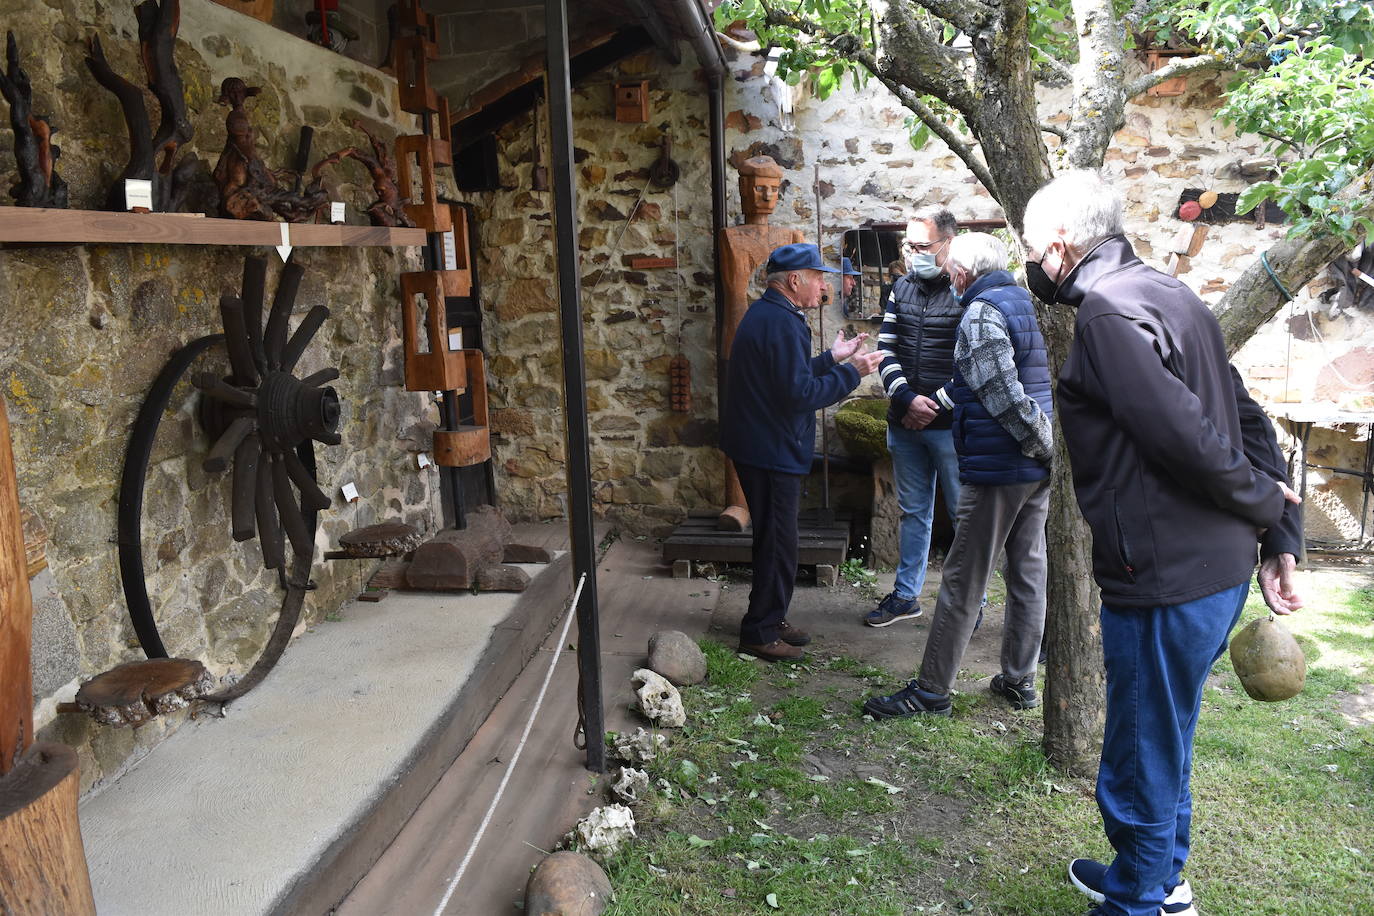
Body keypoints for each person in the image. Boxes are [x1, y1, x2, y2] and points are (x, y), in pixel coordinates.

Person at [1020, 170, 1304, 916]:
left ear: (1057, 249)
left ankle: (1137, 900)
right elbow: (1250, 421)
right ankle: (1157, 880)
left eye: (1031, 254)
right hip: (1213, 574)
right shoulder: (1168, 293)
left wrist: (1268, 504)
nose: (1033, 270)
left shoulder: (1110, 315)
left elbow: (1191, 440)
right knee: (1163, 735)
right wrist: (1277, 530)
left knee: (1142, 752)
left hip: (1167, 577)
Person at [862, 233, 1053, 719]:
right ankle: (1019, 679)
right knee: (1028, 572)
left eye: (950, 269)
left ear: (963, 273)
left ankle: (931, 691)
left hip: (1003, 466)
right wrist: (1046, 451)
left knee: (963, 578)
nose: (947, 276)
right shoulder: (1018, 299)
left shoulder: (982, 311)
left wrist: (1038, 442)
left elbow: (1001, 393)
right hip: (1030, 466)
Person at [720, 243, 883, 662]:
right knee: (778, 543)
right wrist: (852, 373)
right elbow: (798, 394)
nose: (824, 286)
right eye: (818, 277)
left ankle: (771, 619)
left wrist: (832, 358)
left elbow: (787, 376)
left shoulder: (774, 314)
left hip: (762, 444)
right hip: (769, 449)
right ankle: (758, 631)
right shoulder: (781, 322)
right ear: (795, 281)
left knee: (777, 540)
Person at [866, 206, 965, 627]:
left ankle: (969, 603)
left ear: (948, 245)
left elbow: (975, 362)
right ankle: (906, 595)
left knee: (965, 515)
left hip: (952, 426)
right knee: (913, 512)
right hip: (904, 420)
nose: (913, 253)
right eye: (909, 245)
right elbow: (885, 347)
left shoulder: (967, 290)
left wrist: (935, 404)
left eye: (923, 246)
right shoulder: (900, 287)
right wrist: (906, 399)